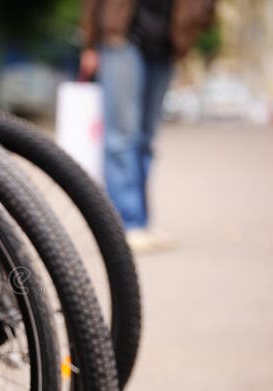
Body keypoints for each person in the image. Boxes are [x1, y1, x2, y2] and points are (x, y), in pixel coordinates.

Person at [80, 0, 216, 252]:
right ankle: (125, 223)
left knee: (145, 139)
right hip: (120, 38)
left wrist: (196, 23)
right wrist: (90, 42)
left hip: (167, 43)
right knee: (121, 136)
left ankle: (141, 221)